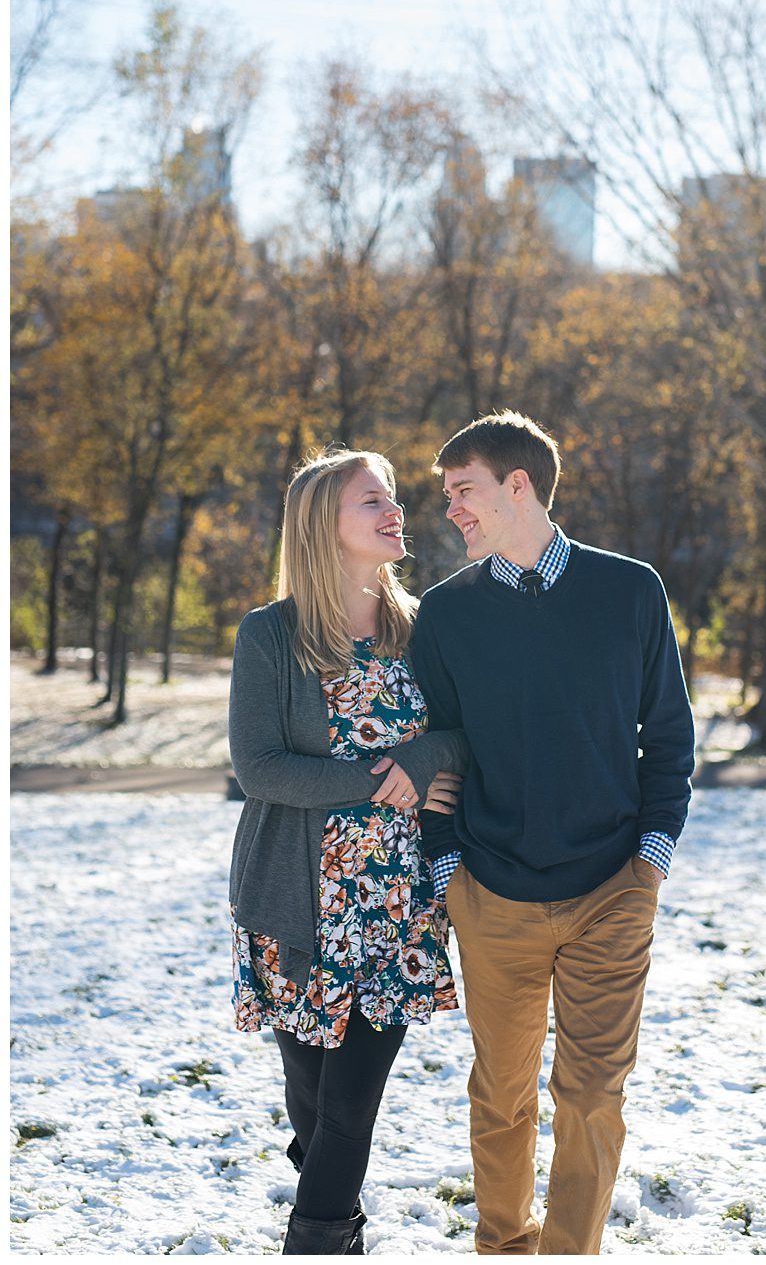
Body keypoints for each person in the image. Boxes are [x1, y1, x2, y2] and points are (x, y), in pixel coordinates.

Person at [406, 409, 696, 1255]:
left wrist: (649, 863)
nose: (452, 510)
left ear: (518, 485)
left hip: (612, 889)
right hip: (493, 894)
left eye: (464, 492)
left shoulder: (630, 589)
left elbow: (669, 738)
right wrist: (449, 871)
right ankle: (502, 1243)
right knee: (501, 1093)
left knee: (592, 1095)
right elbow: (439, 753)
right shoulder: (445, 615)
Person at [228, 448, 469, 1254]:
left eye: (394, 497)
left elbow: (465, 734)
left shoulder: (427, 628)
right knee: (315, 1105)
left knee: (349, 1108)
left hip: (397, 907)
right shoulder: (271, 635)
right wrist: (382, 780)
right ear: (323, 524)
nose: (395, 511)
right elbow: (258, 767)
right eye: (374, 500)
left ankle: (317, 1241)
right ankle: (338, 1216)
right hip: (296, 908)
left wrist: (427, 761)